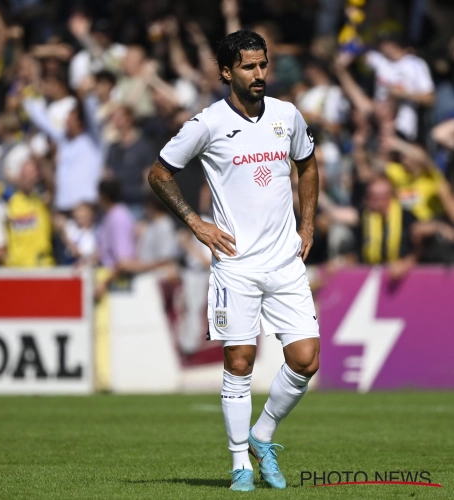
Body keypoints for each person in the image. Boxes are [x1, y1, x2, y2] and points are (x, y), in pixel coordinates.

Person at [148, 30, 320, 491]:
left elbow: (307, 163)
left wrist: (307, 224)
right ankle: (240, 462)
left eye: (263, 64)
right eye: (248, 66)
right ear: (227, 72)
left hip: (284, 261)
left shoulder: (287, 115)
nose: (259, 73)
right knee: (240, 361)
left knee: (306, 360)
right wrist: (195, 222)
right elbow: (159, 173)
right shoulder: (206, 124)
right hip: (236, 264)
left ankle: (262, 436)